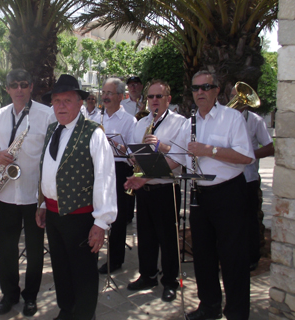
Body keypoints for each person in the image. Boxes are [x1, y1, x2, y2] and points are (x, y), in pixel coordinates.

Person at [125, 70, 254, 320]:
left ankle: (237, 313)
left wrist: (210, 150)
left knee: (232, 257)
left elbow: (246, 156)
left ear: (217, 90)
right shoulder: (193, 120)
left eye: (206, 87)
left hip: (228, 193)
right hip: (199, 194)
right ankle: (209, 306)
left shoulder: (231, 118)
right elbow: (176, 159)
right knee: (203, 256)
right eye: (196, 89)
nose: (200, 92)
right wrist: (143, 180)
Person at [36, 74, 117, 320]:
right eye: (56, 100)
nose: (60, 105)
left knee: (83, 272)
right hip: (53, 214)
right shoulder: (52, 129)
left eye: (67, 100)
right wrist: (41, 203)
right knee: (60, 268)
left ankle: (84, 315)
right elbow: (46, 169)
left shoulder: (93, 133)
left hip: (81, 216)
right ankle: (66, 309)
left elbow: (105, 178)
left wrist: (101, 223)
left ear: (80, 103)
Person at [0, 69, 55, 316]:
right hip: (7, 194)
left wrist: (46, 200)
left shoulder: (47, 114)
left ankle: (31, 297)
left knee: (35, 250)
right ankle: (9, 294)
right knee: (7, 248)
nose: (19, 89)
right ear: (7, 89)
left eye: (24, 84)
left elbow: (53, 157)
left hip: (34, 196)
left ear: (31, 86)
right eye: (14, 85)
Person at [126, 80, 186, 302]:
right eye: (150, 97)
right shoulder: (141, 123)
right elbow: (135, 151)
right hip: (144, 187)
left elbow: (180, 158)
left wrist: (162, 145)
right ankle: (148, 275)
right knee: (146, 236)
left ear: (168, 99)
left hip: (165, 188)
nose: (154, 101)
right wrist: (134, 158)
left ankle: (170, 281)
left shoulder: (180, 123)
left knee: (168, 238)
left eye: (158, 97)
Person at [229, 85, 274, 271]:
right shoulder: (224, 119)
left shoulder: (255, 121)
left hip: (248, 178)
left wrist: (248, 155)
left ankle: (252, 258)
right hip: (228, 179)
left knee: (249, 221)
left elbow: (270, 147)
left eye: (237, 97)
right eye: (232, 96)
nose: (234, 99)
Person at [97, 77, 137, 275]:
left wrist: (116, 145)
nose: (105, 96)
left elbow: (132, 154)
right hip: (97, 169)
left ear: (121, 96)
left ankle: (115, 259)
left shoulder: (130, 120)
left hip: (119, 169)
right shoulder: (96, 118)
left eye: (109, 93)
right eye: (103, 92)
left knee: (118, 217)